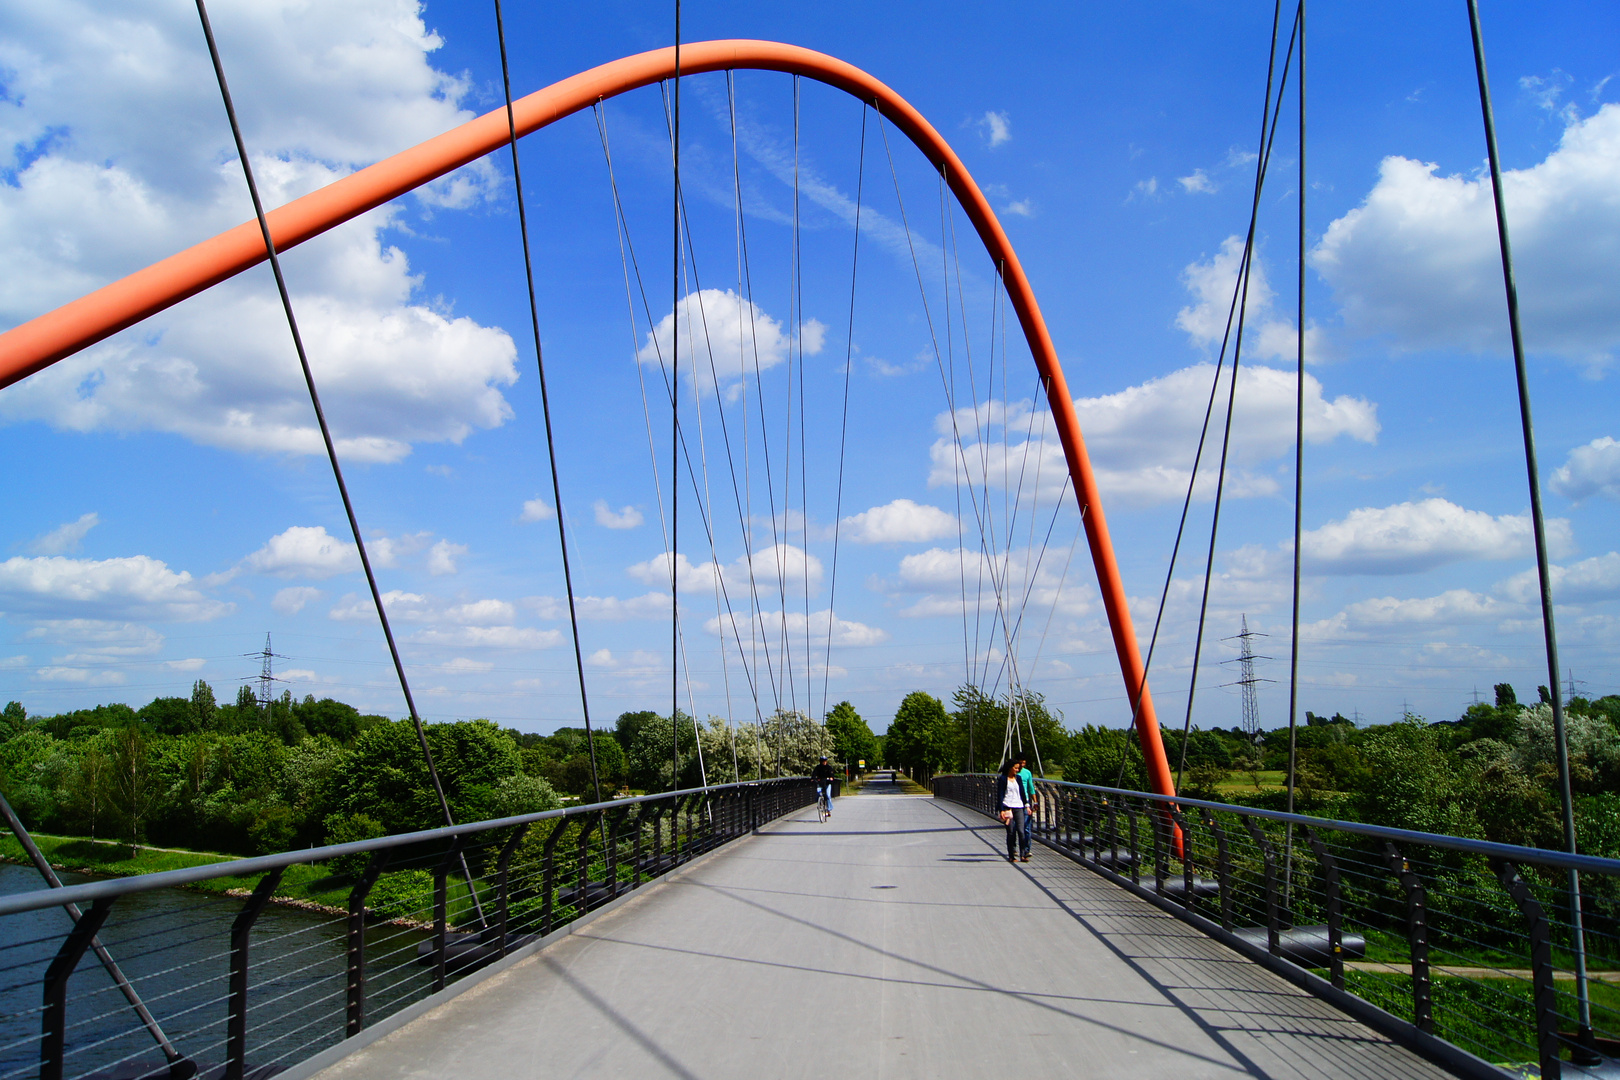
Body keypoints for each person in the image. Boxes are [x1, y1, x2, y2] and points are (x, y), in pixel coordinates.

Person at [994, 759, 1031, 863]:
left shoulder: (1018, 778)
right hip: (1007, 807)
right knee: (1011, 832)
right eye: (1015, 768)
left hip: (1019, 806)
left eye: (1018, 768)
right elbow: (1000, 794)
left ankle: (1023, 854)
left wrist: (1027, 805)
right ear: (1010, 768)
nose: (1017, 770)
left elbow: (1022, 792)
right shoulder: (1003, 779)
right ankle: (1011, 856)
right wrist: (1001, 810)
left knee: (1021, 830)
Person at [1015, 753, 1039, 853]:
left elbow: (1030, 788)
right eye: (1021, 763)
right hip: (1014, 802)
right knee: (1014, 827)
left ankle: (1026, 849)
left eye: (1024, 763)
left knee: (1026, 827)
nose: (1022, 766)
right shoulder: (1012, 772)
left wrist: (1035, 802)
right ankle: (1013, 847)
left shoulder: (1027, 773)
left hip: (1025, 802)